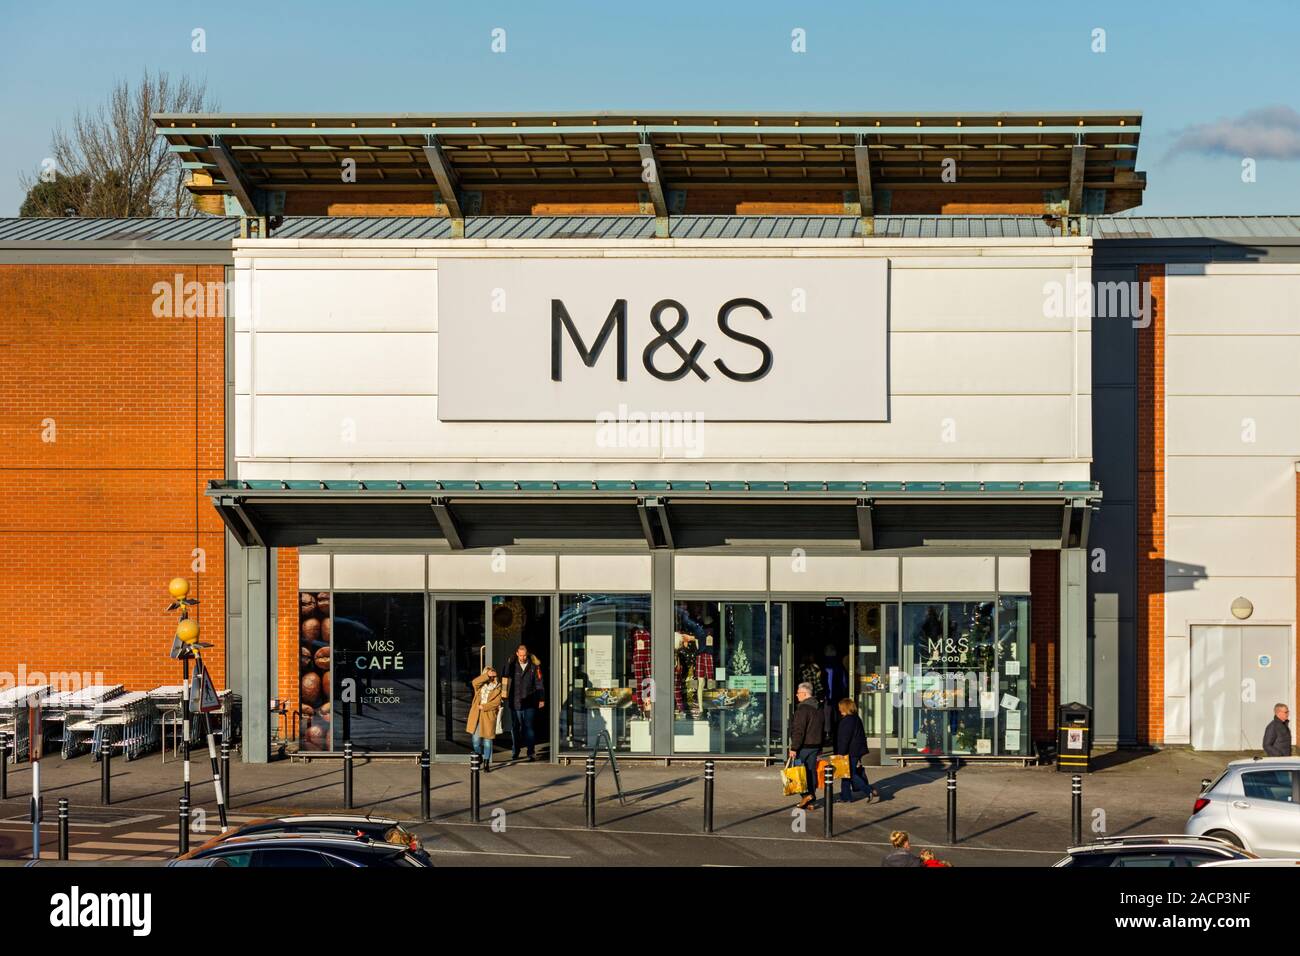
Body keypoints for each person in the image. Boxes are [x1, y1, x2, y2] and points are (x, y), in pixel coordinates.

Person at [504, 643, 546, 761]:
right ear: (517, 654)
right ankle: (515, 751)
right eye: (520, 655)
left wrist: (541, 698)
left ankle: (530, 752)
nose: (522, 658)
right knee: (515, 727)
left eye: (524, 655)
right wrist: (509, 662)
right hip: (515, 701)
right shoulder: (512, 665)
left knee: (529, 727)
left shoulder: (534, 666)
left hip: (530, 702)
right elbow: (505, 676)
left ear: (527, 654)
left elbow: (539, 683)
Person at [788, 681, 824, 811]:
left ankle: (806, 795)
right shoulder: (818, 707)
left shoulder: (803, 709)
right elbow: (822, 728)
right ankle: (810, 800)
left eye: (798, 693)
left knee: (797, 772)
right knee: (810, 771)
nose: (796, 696)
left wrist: (794, 748)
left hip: (803, 746)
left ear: (804, 693)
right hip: (815, 745)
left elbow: (799, 730)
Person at [834, 699, 877, 803]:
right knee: (846, 774)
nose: (839, 709)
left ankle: (868, 790)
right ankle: (846, 796)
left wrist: (841, 753)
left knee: (850, 774)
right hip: (856, 751)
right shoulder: (856, 718)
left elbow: (845, 739)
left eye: (840, 707)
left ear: (844, 707)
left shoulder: (847, 720)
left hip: (850, 751)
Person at [467, 666, 503, 772]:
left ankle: (486, 763)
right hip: (477, 715)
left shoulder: (498, 687)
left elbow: (496, 702)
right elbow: (474, 682)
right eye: (488, 674)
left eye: (492, 674)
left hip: (488, 714)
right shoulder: (480, 686)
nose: (491, 677)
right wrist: (487, 675)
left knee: (487, 741)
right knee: (475, 741)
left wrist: (485, 706)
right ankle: (479, 757)